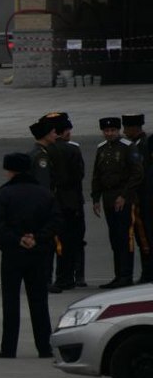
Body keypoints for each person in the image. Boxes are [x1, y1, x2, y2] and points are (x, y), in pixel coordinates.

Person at [0, 153, 59, 359]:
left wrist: (17, 239)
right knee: (39, 301)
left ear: (9, 171)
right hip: (39, 254)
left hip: (12, 254)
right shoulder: (44, 194)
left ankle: (9, 348)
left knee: (10, 301)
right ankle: (44, 347)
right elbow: (55, 221)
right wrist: (37, 238)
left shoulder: (3, 195)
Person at [91, 116, 143, 289]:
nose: (109, 133)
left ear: (118, 130)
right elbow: (97, 175)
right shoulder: (102, 149)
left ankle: (126, 275)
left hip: (124, 197)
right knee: (114, 238)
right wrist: (95, 198)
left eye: (112, 130)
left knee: (124, 237)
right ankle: (118, 274)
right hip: (108, 197)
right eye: (106, 131)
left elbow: (137, 174)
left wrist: (124, 195)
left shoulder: (128, 147)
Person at [46, 113, 87, 288]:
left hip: (57, 200)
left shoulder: (46, 150)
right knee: (76, 239)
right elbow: (79, 175)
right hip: (74, 201)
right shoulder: (72, 149)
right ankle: (77, 276)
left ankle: (63, 277)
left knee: (59, 241)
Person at [28, 118, 62, 290]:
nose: (56, 135)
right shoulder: (41, 156)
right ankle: (45, 280)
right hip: (42, 208)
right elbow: (44, 186)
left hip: (35, 206)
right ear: (45, 135)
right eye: (53, 132)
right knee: (46, 244)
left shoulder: (37, 152)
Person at [121, 113, 153, 282]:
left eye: (126, 128)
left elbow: (139, 174)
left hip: (143, 199)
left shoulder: (141, 146)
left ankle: (148, 273)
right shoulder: (140, 143)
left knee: (145, 237)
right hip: (142, 198)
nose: (124, 132)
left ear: (134, 128)